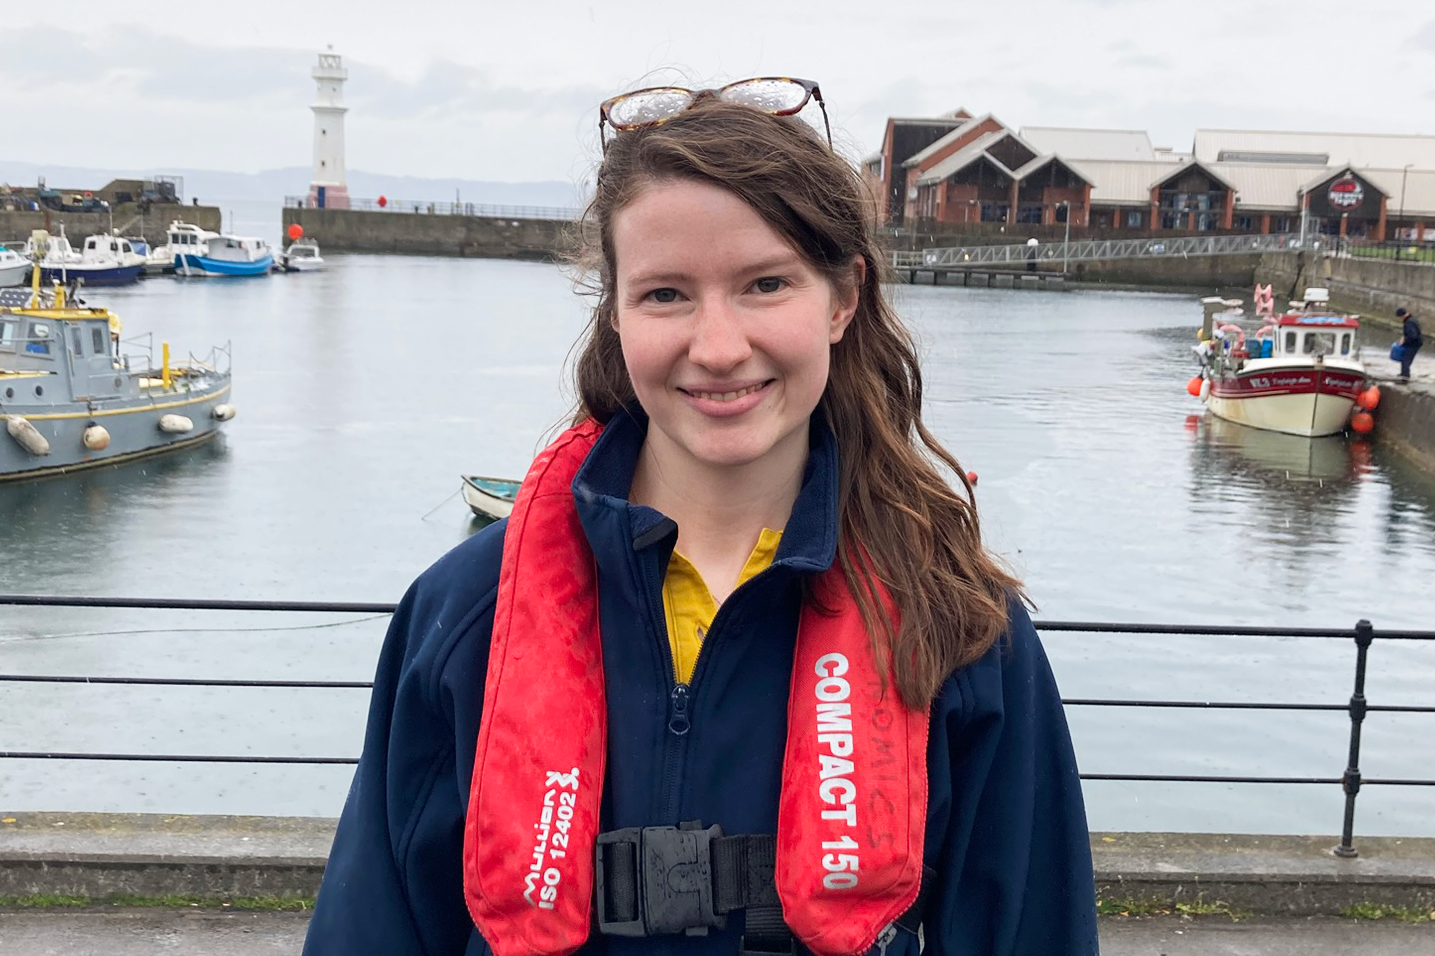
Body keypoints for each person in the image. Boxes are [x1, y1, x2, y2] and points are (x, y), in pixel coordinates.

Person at [303, 77, 1097, 956]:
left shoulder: (964, 634)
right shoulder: (462, 616)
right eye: (666, 294)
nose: (717, 348)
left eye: (764, 284)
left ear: (842, 300)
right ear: (615, 311)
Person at [1396, 307, 1422, 383]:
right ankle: (1404, 373)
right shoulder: (1411, 319)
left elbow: (1413, 336)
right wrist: (1403, 337)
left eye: (1399, 317)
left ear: (1402, 315)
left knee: (1405, 360)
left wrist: (1404, 341)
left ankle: (1405, 379)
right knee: (1407, 359)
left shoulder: (1409, 323)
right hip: (1416, 343)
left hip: (1414, 344)